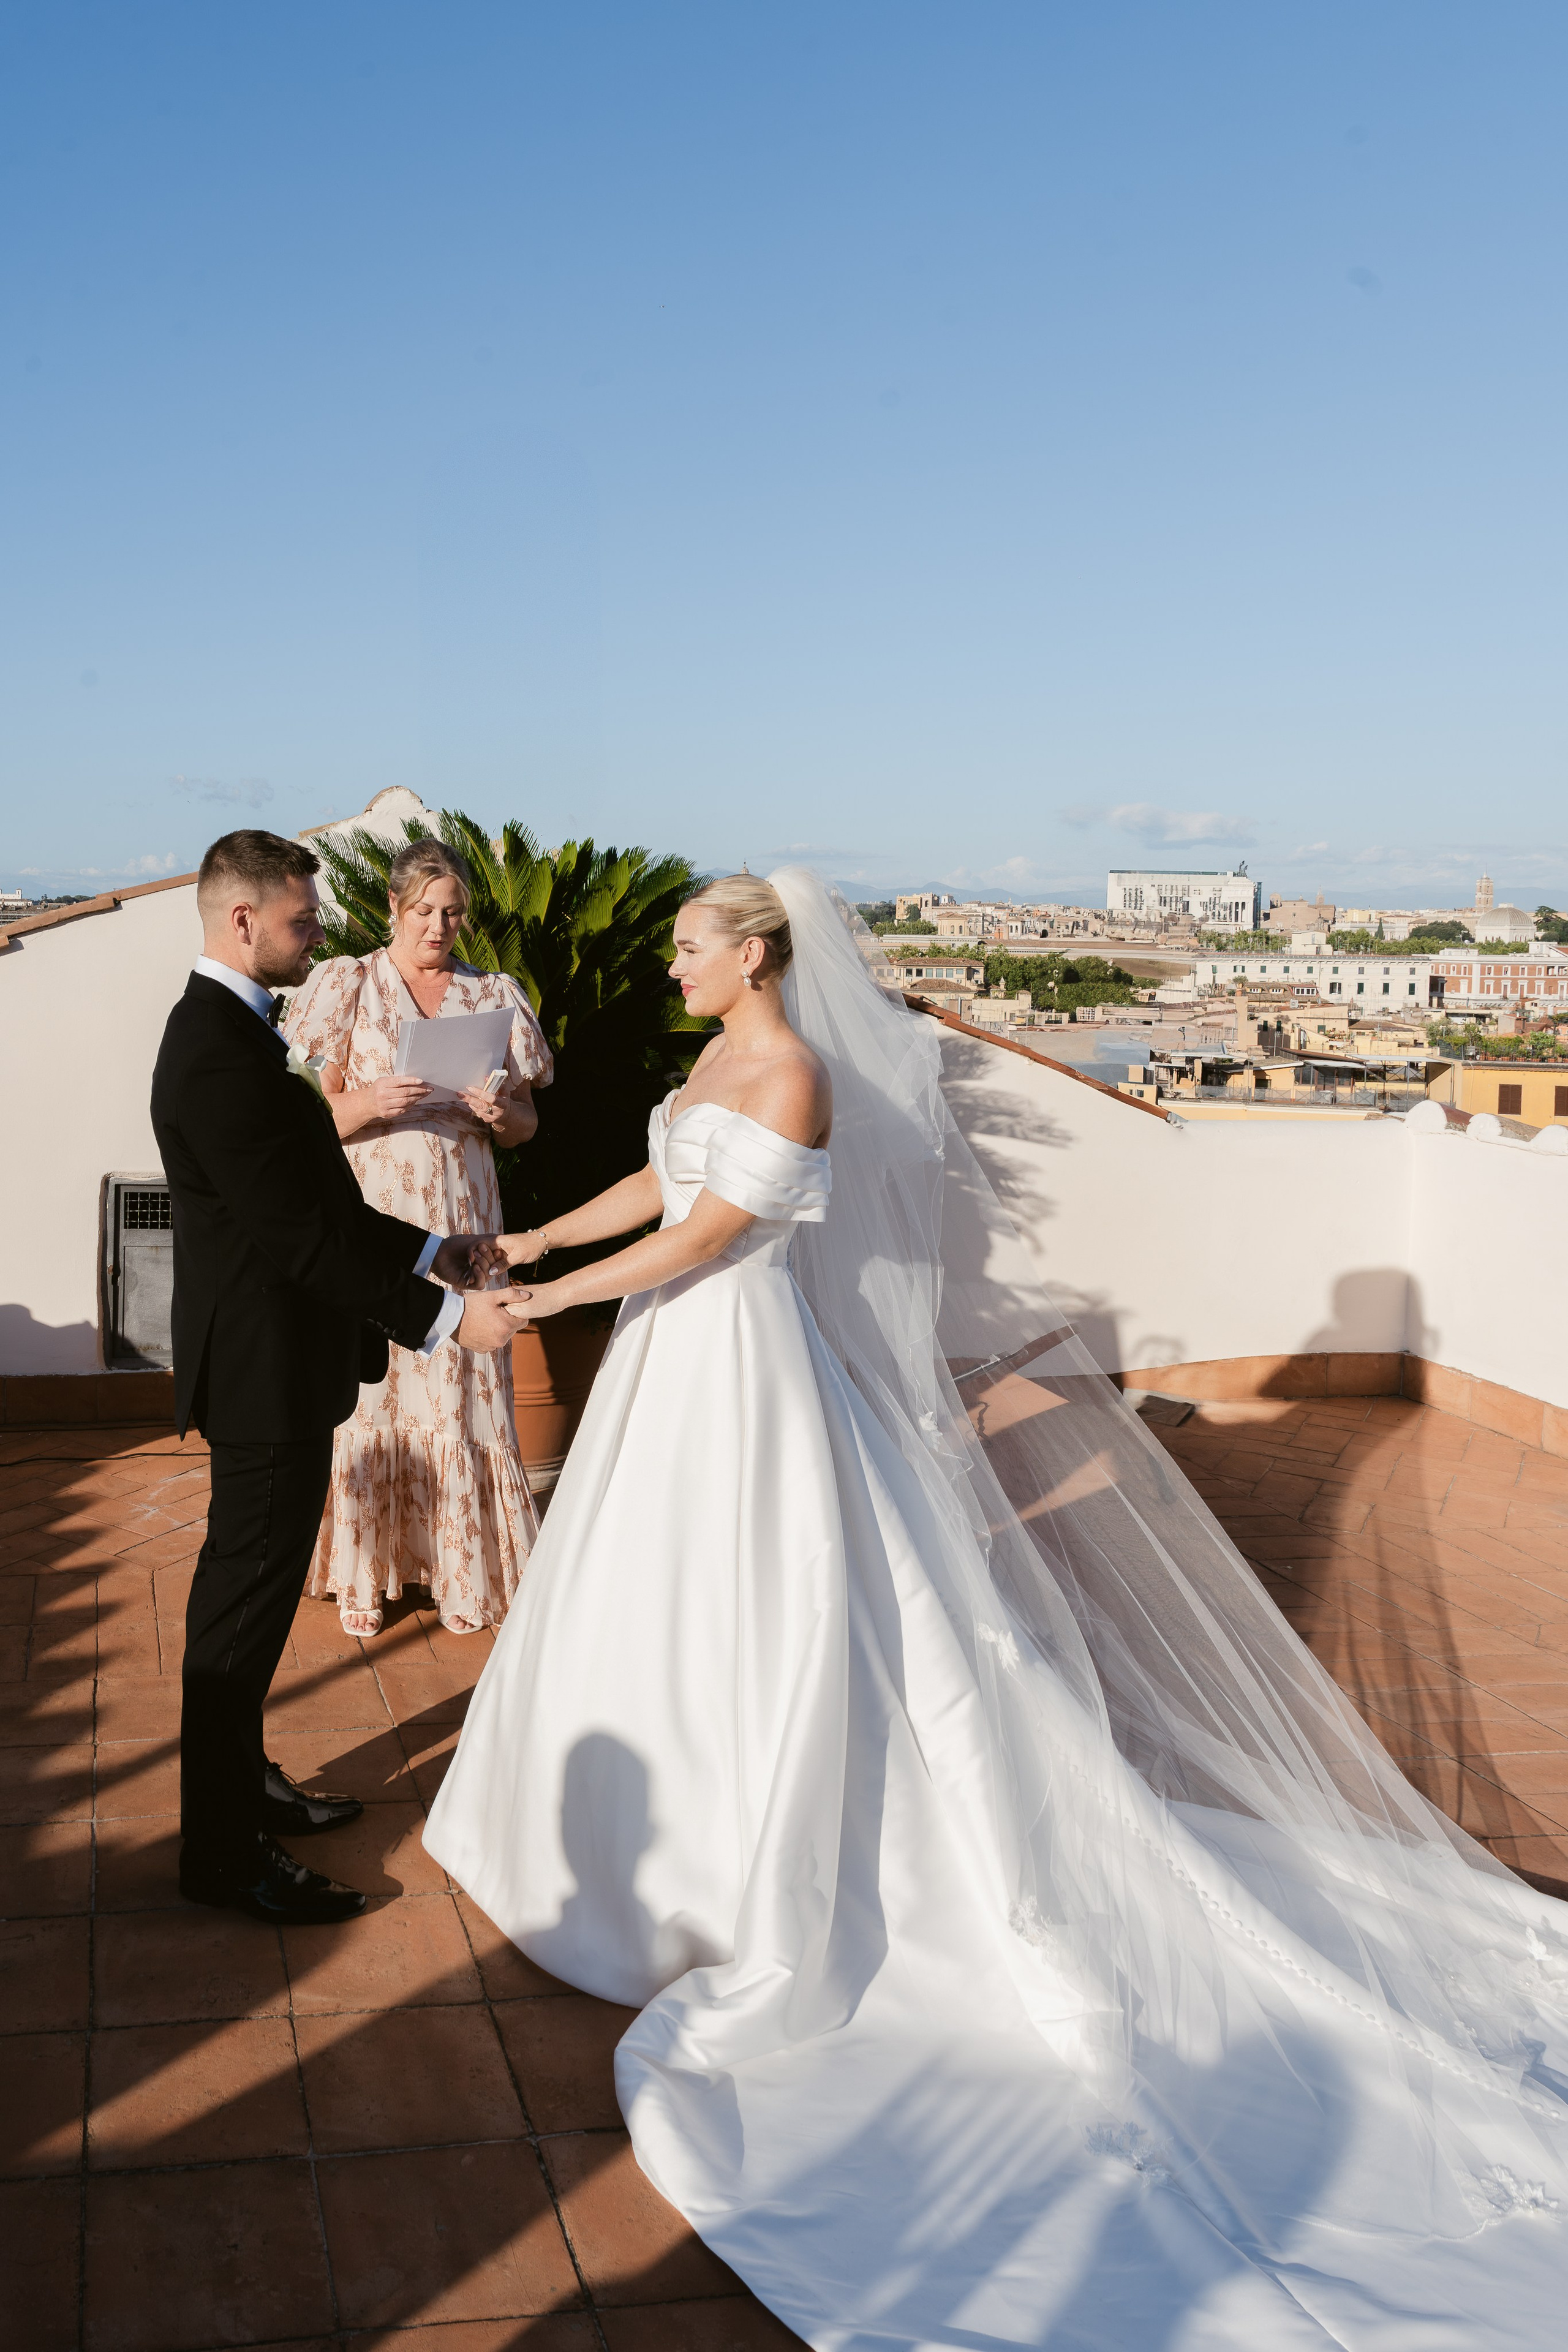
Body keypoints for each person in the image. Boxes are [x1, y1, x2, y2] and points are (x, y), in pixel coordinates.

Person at [426, 868, 1568, 2348]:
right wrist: (535, 1243)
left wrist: (543, 1304)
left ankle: (751, 1861)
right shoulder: (712, 1064)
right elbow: (658, 1183)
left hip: (739, 1360)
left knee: (771, 1596)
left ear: (756, 956)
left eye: (691, 948)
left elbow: (708, 1239)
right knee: (651, 1581)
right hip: (669, 1355)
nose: (674, 968)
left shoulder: (793, 1076)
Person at [151, 829, 525, 1928]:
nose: (318, 934)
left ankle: (244, 1780)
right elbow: (301, 1242)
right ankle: (224, 1855)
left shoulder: (232, 1030)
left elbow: (320, 1204)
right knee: (239, 1617)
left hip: (276, 1363)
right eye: (302, 918)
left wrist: (435, 1249)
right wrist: (449, 1320)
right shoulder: (216, 1051)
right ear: (242, 921)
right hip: (260, 1373)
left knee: (253, 1607)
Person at [282, 837, 552, 1637]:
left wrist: (503, 1115)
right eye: (426, 910)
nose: (440, 926)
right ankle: (364, 1574)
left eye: (454, 913)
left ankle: (463, 1576)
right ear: (394, 907)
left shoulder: (493, 995)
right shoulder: (349, 985)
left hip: (468, 1220)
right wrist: (372, 1103)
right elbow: (308, 1123)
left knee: (463, 1383)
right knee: (377, 1384)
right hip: (377, 1214)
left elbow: (527, 1125)